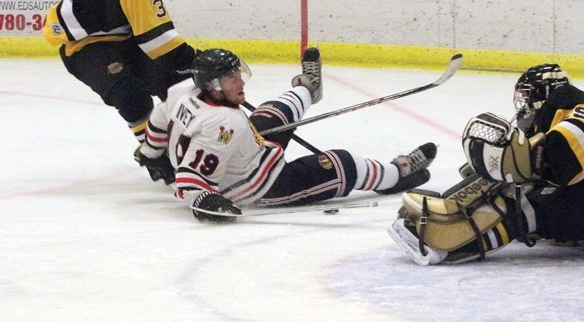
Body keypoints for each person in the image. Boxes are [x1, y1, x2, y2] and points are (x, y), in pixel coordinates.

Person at [389, 63, 584, 265]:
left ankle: (446, 242)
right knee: (512, 188)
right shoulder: (563, 113)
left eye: (527, 96)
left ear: (546, 92)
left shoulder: (574, 107)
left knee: (522, 207)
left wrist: (518, 170)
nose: (524, 105)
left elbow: (568, 167)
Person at [134, 47, 437, 222]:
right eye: (230, 77)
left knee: (270, 114)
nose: (240, 81)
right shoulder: (222, 125)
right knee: (342, 164)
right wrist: (206, 202)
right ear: (212, 85)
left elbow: (158, 121)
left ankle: (308, 88)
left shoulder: (182, 91)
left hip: (250, 152)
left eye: (238, 72)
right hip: (262, 184)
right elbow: (191, 178)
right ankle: (398, 173)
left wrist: (151, 155)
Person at [42, 0, 198, 158]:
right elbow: (154, 37)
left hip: (122, 39)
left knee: (174, 82)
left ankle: (188, 143)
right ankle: (155, 155)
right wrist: (190, 58)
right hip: (84, 45)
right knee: (133, 98)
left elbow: (140, 20)